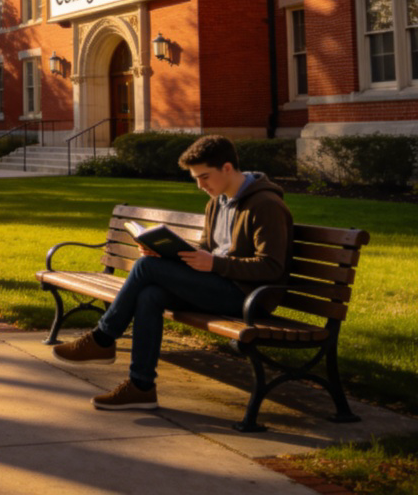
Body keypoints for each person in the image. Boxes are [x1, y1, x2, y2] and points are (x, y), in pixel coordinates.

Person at [53, 134, 293, 411]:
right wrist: (171, 252)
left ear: (227, 168)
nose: (200, 185)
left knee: (146, 267)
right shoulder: (217, 202)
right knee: (151, 294)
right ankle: (141, 387)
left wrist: (215, 264)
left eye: (204, 177)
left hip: (247, 298)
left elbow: (271, 267)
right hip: (217, 284)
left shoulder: (266, 205)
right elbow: (208, 248)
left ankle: (103, 338)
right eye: (196, 178)